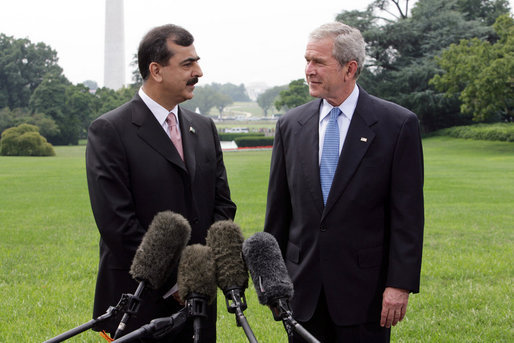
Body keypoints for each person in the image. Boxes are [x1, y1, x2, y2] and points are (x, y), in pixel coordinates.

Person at [264, 22, 424, 343]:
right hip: (302, 291)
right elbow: (278, 213)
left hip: (364, 294)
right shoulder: (290, 125)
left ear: (350, 68)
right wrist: (273, 280)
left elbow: (407, 216)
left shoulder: (398, 125)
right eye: (307, 60)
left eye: (318, 62)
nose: (308, 70)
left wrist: (399, 285)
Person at [86, 24, 236, 342]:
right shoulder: (110, 130)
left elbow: (222, 205)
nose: (199, 71)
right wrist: (174, 280)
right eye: (187, 64)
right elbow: (117, 223)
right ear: (156, 70)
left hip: (198, 301)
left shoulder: (204, 127)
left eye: (196, 61)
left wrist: (197, 272)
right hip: (138, 302)